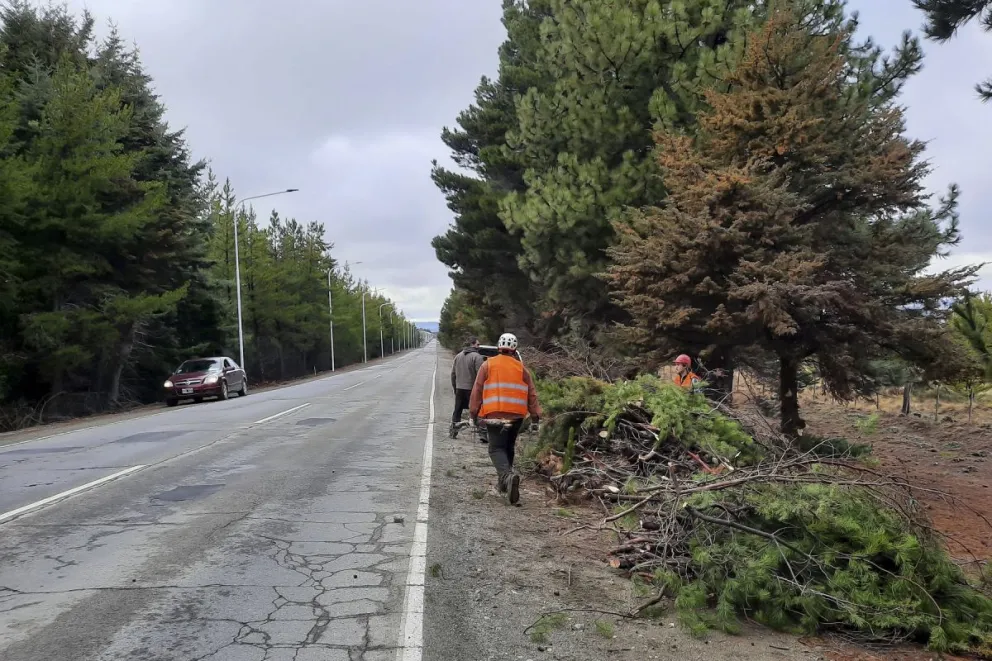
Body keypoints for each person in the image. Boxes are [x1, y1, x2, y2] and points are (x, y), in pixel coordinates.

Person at [469, 332, 541, 505]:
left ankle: (507, 477)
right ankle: (504, 484)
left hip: (494, 415)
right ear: (514, 349)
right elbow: (532, 394)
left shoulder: (488, 365)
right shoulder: (522, 369)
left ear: (498, 347)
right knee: (508, 447)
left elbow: (477, 391)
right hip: (517, 416)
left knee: (495, 449)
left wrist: (473, 413)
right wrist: (536, 417)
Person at [450, 337, 485, 437]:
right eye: (478, 344)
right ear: (473, 344)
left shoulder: (458, 356)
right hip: (472, 389)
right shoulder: (477, 357)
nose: (479, 346)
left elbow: (453, 374)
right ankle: (482, 433)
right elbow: (481, 375)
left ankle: (453, 430)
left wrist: (455, 387)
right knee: (477, 410)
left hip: (459, 388)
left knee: (457, 410)